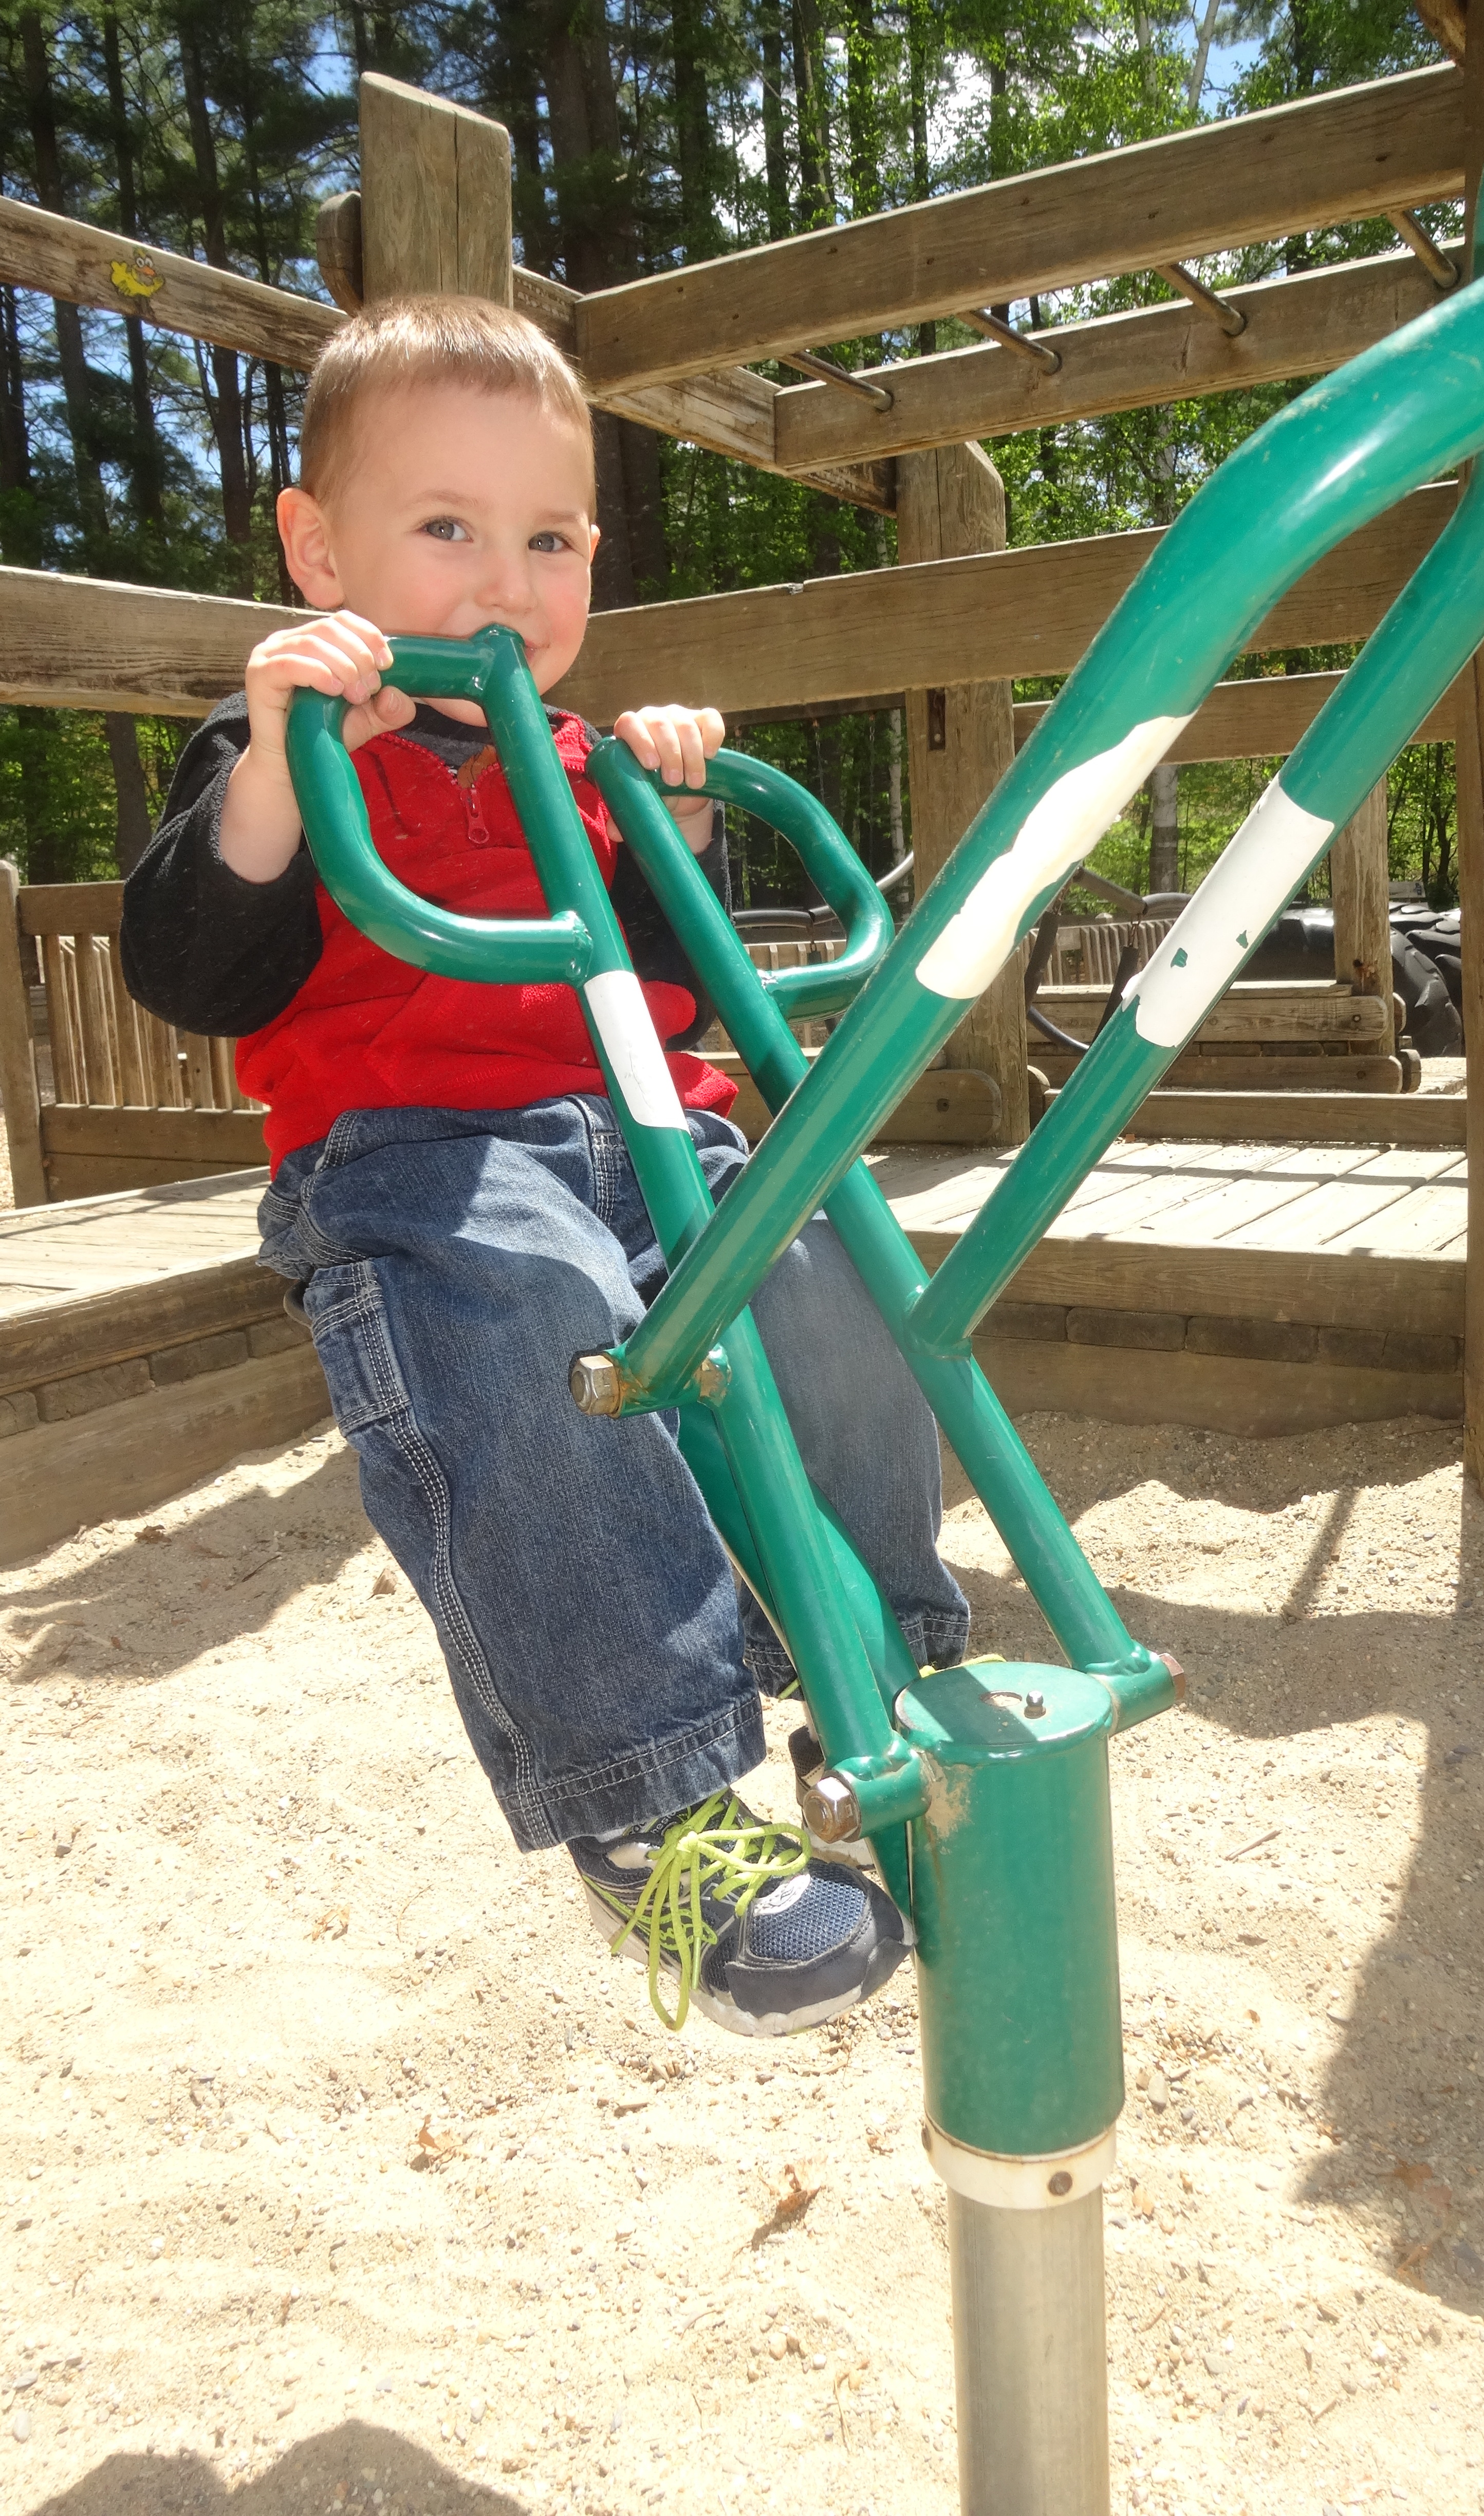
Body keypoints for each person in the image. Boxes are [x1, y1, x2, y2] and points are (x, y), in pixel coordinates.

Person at [121, 295, 968, 2039]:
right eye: (446, 528)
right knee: (528, 1308)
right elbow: (195, 972)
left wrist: (676, 813)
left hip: (654, 1126)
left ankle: (885, 1659)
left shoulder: (584, 761)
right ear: (317, 550)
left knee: (821, 1270)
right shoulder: (290, 747)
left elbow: (683, 976)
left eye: (552, 539)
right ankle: (646, 1797)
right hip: (424, 1156)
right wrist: (279, 766)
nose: (507, 586)